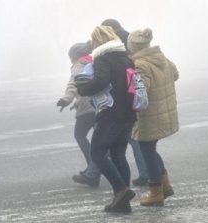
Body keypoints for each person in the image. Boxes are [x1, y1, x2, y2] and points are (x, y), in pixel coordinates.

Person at [76, 25, 136, 213]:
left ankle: (121, 189)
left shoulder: (103, 57)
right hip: (128, 113)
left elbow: (101, 80)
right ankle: (123, 203)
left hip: (110, 113)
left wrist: (83, 89)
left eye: (95, 41)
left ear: (100, 40)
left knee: (97, 153)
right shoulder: (125, 57)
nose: (93, 45)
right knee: (118, 155)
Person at [127, 28, 179, 206]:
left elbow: (143, 89)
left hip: (149, 116)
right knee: (150, 149)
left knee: (146, 150)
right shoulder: (161, 58)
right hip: (164, 111)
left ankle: (156, 192)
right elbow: (176, 74)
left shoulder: (140, 63)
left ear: (133, 47)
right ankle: (165, 186)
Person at [101, 18, 149, 186]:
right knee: (132, 140)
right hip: (131, 101)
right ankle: (147, 173)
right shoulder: (128, 39)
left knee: (129, 142)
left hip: (125, 101)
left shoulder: (117, 43)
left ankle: (145, 174)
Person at [57, 41, 99, 181]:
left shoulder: (78, 66)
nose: (70, 60)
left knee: (79, 135)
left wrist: (66, 99)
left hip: (87, 109)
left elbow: (73, 84)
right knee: (99, 139)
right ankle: (93, 168)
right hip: (99, 106)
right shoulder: (95, 62)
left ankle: (92, 166)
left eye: (71, 57)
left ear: (76, 56)